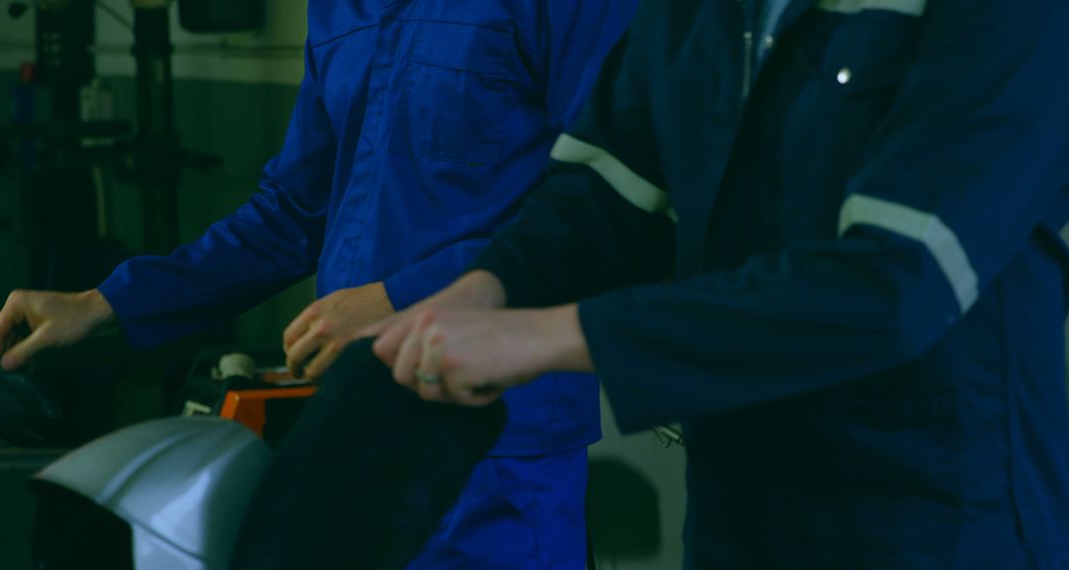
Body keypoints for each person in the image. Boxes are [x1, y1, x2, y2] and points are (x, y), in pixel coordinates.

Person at [363, 0, 1069, 567]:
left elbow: (894, 286)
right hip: (739, 512)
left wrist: (554, 335)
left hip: (933, 521)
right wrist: (487, 288)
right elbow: (602, 192)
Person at [0, 0, 638, 566]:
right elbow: (293, 212)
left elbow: (599, 206)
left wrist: (397, 299)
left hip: (495, 441)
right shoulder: (343, 5)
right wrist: (107, 303)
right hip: (353, 422)